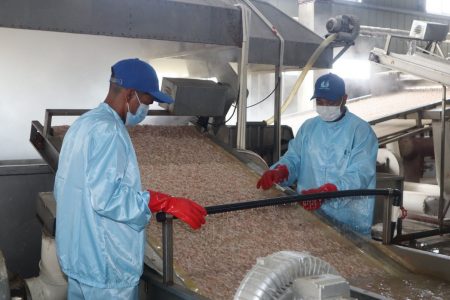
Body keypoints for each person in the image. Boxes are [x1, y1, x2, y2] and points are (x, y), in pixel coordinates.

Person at [54, 58, 207, 299]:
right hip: (106, 269)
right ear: (130, 94)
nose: (148, 107)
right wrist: (160, 201)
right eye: (147, 100)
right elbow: (106, 198)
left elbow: (68, 187)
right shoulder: (110, 131)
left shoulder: (83, 124)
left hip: (78, 258)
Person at [257, 73, 378, 235]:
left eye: (331, 102)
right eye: (320, 102)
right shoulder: (308, 127)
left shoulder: (361, 131)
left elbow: (360, 174)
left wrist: (328, 191)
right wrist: (281, 170)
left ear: (344, 98)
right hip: (308, 216)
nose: (325, 106)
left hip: (348, 223)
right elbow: (294, 158)